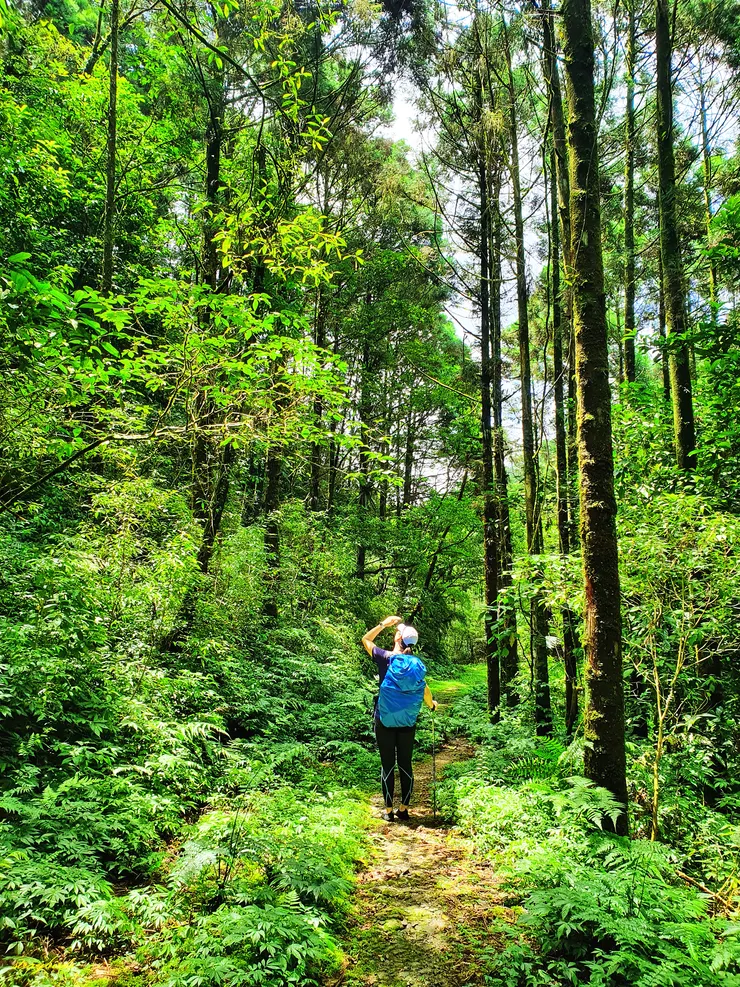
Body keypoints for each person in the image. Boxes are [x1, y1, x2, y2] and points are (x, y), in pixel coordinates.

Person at [362, 615, 437, 822]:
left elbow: (366, 640)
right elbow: (425, 690)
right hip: (407, 723)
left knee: (387, 765)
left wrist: (383, 624)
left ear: (398, 639)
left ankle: (388, 811)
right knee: (405, 764)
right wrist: (432, 705)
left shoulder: (385, 658)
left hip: (384, 720)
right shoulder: (416, 665)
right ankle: (403, 809)